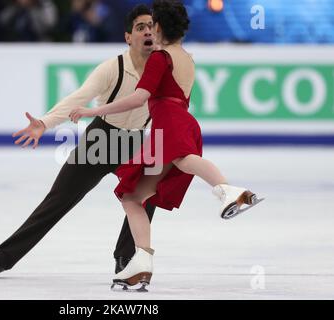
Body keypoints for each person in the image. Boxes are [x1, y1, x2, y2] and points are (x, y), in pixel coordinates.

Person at [69, 0, 263, 290]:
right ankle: (141, 264)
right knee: (133, 196)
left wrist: (92, 111)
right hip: (179, 122)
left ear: (158, 27)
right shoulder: (187, 57)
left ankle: (228, 190)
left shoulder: (160, 58)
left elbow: (139, 97)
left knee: (182, 161)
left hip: (169, 124)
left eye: (152, 25)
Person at [0, 4, 159, 278]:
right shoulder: (112, 68)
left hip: (134, 143)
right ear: (128, 37)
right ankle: (2, 257)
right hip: (101, 140)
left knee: (148, 194)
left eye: (151, 27)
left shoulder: (164, 69)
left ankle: (126, 259)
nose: (147, 32)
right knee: (57, 202)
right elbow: (78, 98)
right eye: (140, 27)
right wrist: (45, 123)